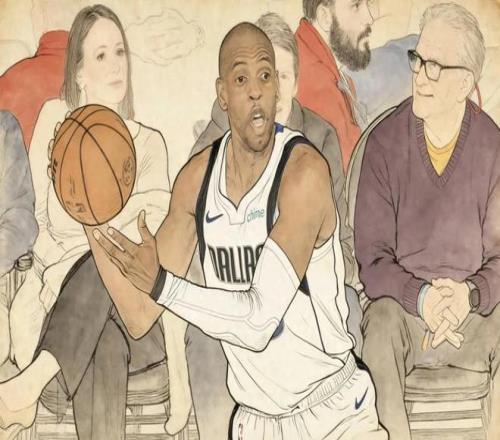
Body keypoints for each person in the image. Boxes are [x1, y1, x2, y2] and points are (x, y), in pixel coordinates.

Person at [12, 22, 389, 439]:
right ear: (222, 94)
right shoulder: (196, 180)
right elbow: (139, 314)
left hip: (332, 413)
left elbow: (258, 322)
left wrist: (162, 284)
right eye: (241, 79)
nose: (256, 91)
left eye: (266, 76)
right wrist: (86, 207)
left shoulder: (304, 173)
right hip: (257, 422)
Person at [6, 4, 191, 438]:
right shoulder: (55, 123)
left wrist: (81, 255)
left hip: (137, 315)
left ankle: (27, 387)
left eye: (120, 52)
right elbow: (39, 224)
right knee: (101, 342)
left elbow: (143, 246)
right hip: (61, 312)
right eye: (101, 55)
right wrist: (64, 268)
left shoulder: (150, 145)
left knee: (105, 266)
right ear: (79, 73)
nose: (115, 65)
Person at [187, 12, 357, 438]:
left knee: (349, 313)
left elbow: (341, 241)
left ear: (293, 84)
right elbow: (192, 248)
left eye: (275, 76)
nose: (263, 92)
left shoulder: (317, 139)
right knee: (204, 336)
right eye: (249, 80)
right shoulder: (213, 145)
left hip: (307, 306)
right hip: (236, 305)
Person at [354, 4, 500, 439]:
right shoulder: (384, 143)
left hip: (474, 319)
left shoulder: (493, 147)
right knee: (378, 324)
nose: (419, 76)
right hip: (406, 316)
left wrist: (469, 295)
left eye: (435, 67)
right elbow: (372, 260)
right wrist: (423, 299)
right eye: (418, 60)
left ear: (465, 83)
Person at [295, 0, 374, 171]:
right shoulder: (317, 87)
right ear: (325, 17)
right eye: (356, 5)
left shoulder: (329, 73)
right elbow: (353, 176)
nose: (369, 18)